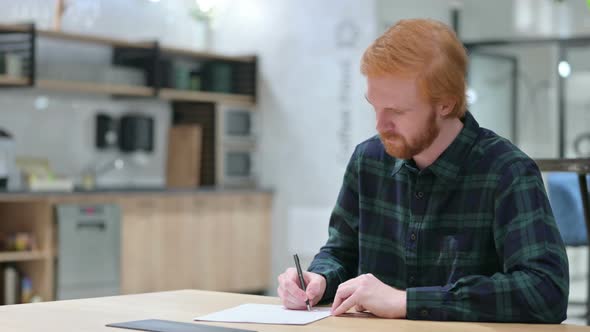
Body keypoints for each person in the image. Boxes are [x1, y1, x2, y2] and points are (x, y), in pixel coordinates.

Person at [277, 18, 569, 323]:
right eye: (374, 106)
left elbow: (546, 291)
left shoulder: (507, 171)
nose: (379, 125)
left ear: (445, 104)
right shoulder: (368, 160)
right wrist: (319, 278)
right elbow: (341, 252)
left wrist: (407, 302)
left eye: (396, 111)